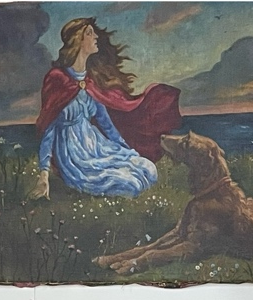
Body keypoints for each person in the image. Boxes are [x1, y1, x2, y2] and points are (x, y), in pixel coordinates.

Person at [30, 18, 181, 200]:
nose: (95, 37)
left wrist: (126, 150)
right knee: (131, 185)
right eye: (89, 33)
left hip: (96, 145)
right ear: (77, 39)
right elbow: (49, 128)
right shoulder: (57, 79)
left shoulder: (90, 81)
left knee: (149, 169)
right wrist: (43, 174)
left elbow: (106, 124)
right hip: (74, 155)